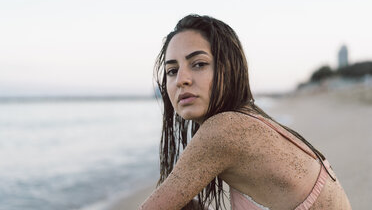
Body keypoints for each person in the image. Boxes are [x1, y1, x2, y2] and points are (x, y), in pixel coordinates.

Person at [140, 14, 352, 210]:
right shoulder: (249, 118)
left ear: (229, 69)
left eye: (199, 64)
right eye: (172, 71)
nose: (181, 80)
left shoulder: (224, 130)